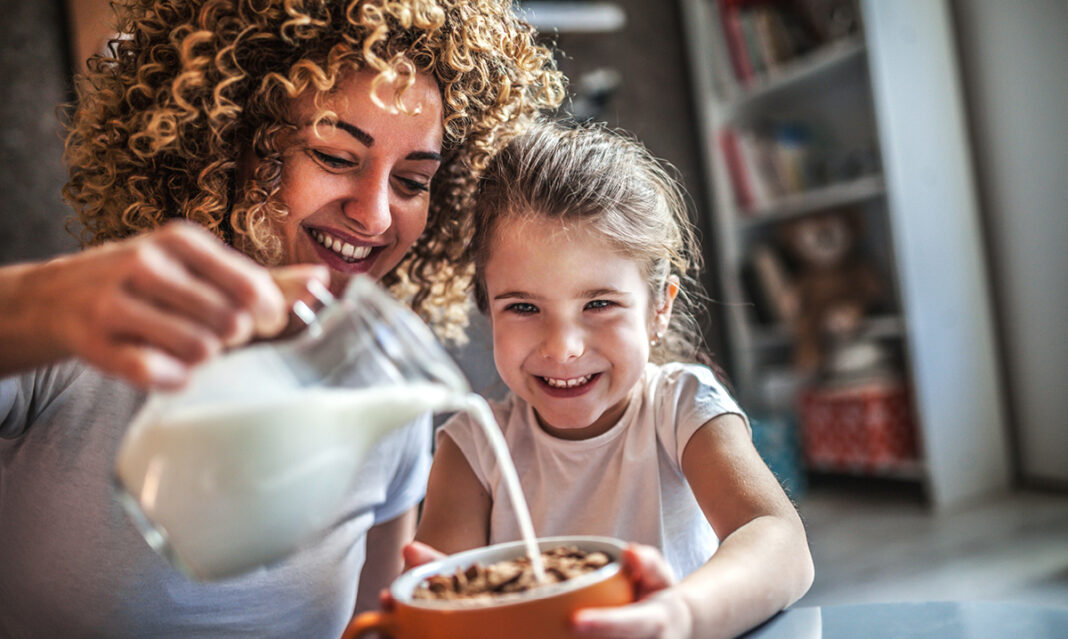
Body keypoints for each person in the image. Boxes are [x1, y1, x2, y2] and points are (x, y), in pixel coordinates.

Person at [0, 1, 564, 637]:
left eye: (411, 181)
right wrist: (42, 302)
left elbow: (368, 625)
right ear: (227, 143)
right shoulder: (79, 333)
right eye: (334, 157)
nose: (376, 217)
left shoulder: (390, 399)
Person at [412, 120, 814, 639]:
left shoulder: (680, 409)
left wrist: (679, 615)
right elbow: (443, 605)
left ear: (658, 310)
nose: (563, 347)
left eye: (599, 304)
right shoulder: (473, 448)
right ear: (488, 310)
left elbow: (780, 541)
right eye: (523, 307)